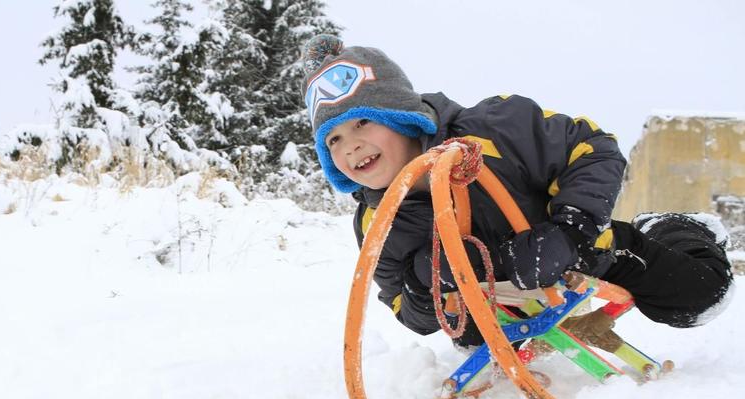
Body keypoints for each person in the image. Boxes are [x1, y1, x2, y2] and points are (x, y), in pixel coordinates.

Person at [301, 35, 735, 350]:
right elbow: (407, 313)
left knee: (700, 298)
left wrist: (571, 230)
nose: (351, 144)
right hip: (494, 301)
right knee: (469, 334)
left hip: (574, 250)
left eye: (362, 122)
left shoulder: (493, 128)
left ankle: (671, 227)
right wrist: (423, 281)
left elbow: (592, 147)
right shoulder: (376, 222)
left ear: (402, 116)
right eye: (333, 139)